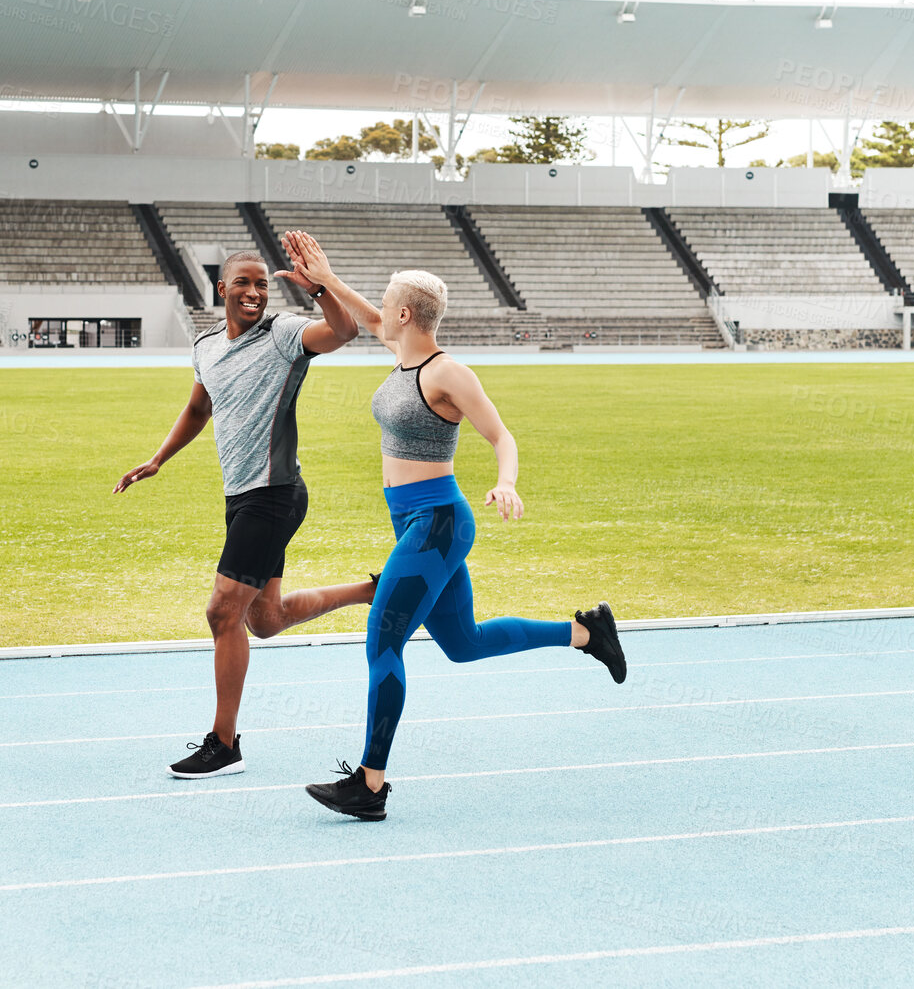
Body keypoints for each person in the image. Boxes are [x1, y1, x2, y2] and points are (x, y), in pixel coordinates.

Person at [274, 230, 628, 821]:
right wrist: (327, 279)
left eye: (388, 304)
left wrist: (506, 481)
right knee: (462, 644)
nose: (380, 311)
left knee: (383, 642)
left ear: (407, 313)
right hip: (414, 521)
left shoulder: (447, 374)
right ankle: (588, 633)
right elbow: (369, 319)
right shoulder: (403, 352)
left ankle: (371, 783)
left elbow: (501, 435)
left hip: (438, 522)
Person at [114, 249, 375, 779]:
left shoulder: (284, 334)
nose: (254, 292)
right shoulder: (206, 345)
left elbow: (344, 331)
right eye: (243, 283)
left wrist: (320, 288)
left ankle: (224, 743)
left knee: (222, 613)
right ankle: (374, 589)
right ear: (221, 288)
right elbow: (197, 408)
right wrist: (159, 458)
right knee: (265, 620)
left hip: (274, 493)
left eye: (262, 284)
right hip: (242, 496)